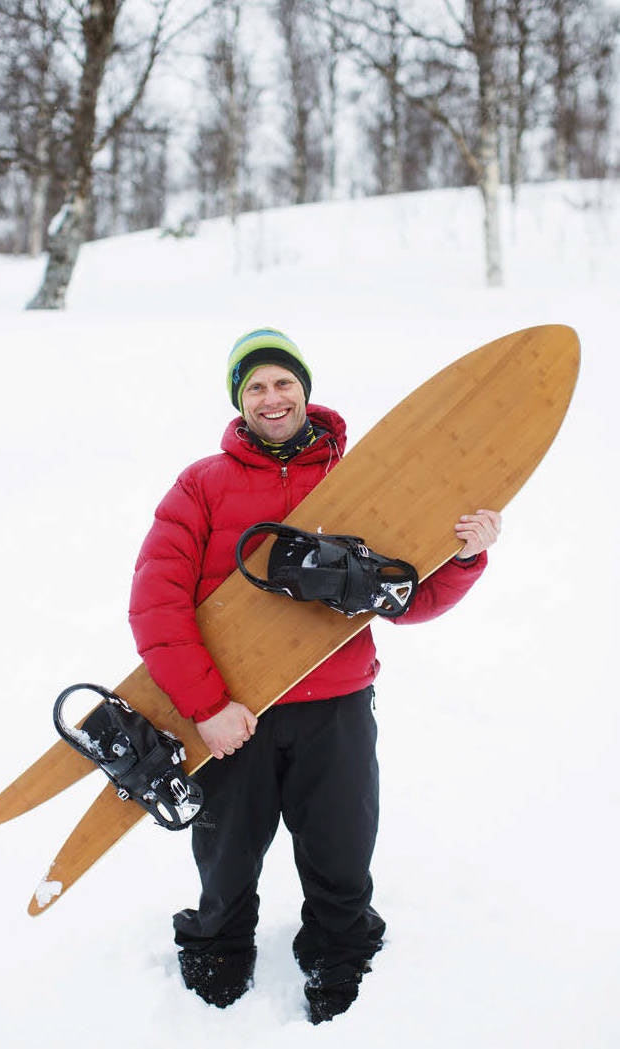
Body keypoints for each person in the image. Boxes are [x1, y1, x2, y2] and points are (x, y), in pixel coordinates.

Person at [129, 327, 501, 1023]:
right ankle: (220, 943)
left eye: (282, 381)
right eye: (255, 386)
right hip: (235, 714)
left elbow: (406, 596)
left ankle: (337, 947)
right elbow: (156, 605)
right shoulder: (201, 485)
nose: (272, 397)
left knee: (340, 844)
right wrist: (207, 705)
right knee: (227, 850)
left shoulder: (359, 477)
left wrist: (462, 557)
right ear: (240, 400)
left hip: (337, 704)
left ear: (304, 388)